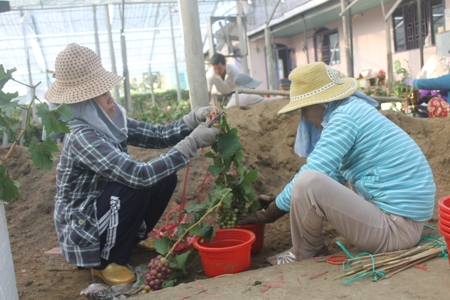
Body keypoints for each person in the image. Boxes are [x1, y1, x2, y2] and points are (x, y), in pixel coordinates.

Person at [45, 43, 220, 285]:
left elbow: (158, 135)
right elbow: (138, 176)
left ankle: (130, 240)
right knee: (134, 184)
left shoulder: (108, 121)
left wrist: (192, 120)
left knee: (164, 176)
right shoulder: (80, 135)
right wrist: (192, 144)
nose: (110, 98)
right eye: (102, 93)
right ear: (84, 103)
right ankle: (105, 262)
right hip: (85, 228)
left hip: (104, 206)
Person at [238, 62, 436, 266]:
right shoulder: (352, 110)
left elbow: (313, 175)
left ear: (320, 103)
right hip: (403, 223)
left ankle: (305, 253)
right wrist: (279, 199)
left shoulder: (344, 119)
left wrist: (271, 212)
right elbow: (332, 176)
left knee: (308, 181)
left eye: (303, 109)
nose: (304, 117)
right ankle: (311, 248)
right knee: (309, 182)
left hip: (396, 231)